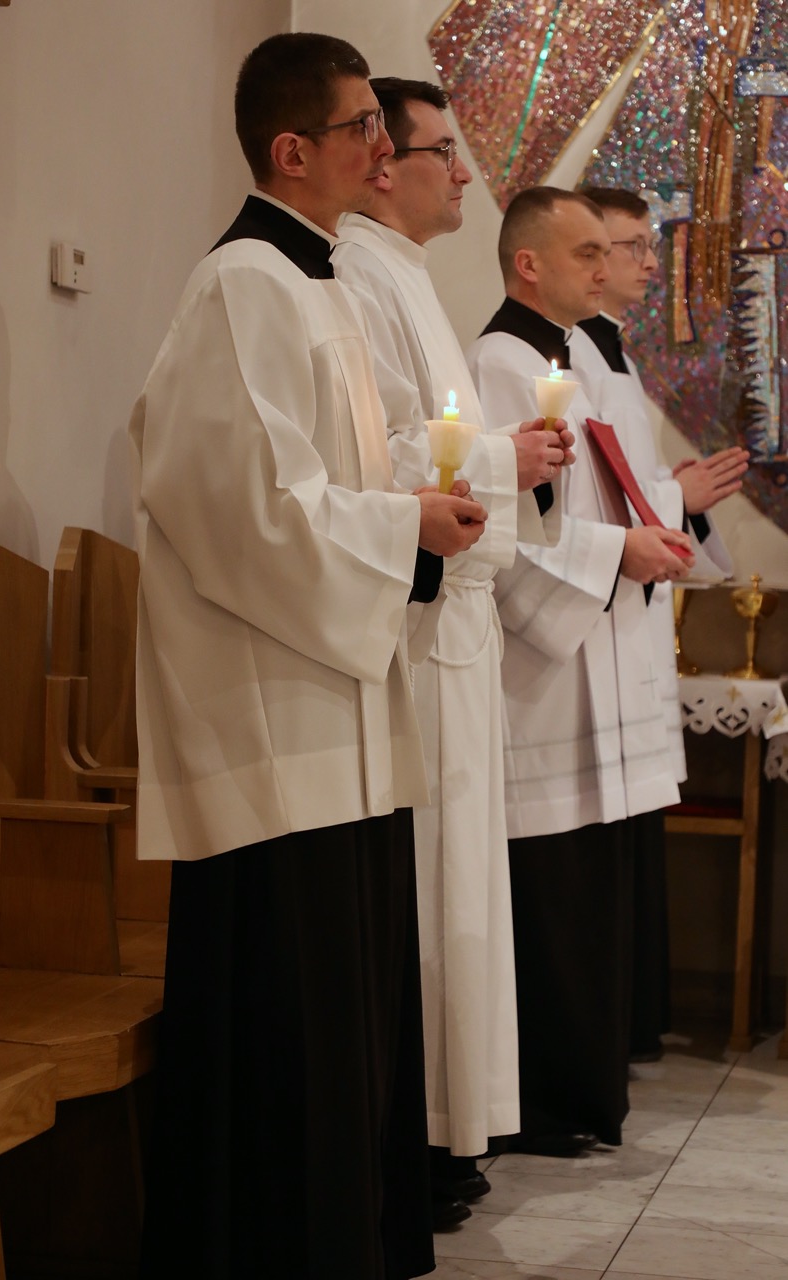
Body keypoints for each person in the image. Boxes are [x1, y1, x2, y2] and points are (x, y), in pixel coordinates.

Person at [129, 33, 489, 1280]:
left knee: (342, 1012)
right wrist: (404, 527)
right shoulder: (242, 285)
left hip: (337, 708)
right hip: (273, 722)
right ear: (292, 150)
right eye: (361, 128)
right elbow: (245, 512)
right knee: (284, 1015)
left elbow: (330, 480)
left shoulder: (320, 282)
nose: (384, 149)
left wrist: (416, 508)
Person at [333, 79, 572, 1226]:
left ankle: (451, 1128)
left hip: (458, 626)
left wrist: (499, 457)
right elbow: (374, 456)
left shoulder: (408, 277)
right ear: (385, 163)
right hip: (420, 635)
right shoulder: (357, 275)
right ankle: (419, 1133)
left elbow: (426, 444)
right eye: (443, 151)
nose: (465, 173)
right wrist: (493, 462)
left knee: (464, 891)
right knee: (431, 890)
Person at [465, 186, 692, 1155]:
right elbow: (507, 528)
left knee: (585, 887)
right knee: (551, 891)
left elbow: (584, 501)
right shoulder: (499, 362)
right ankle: (545, 1098)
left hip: (588, 646)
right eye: (586, 254)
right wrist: (613, 554)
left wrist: (640, 537)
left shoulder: (562, 360)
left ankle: (579, 1091)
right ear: (528, 264)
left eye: (610, 253)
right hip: (540, 675)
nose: (606, 270)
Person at [570, 185, 748, 1060]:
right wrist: (676, 497)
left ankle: (631, 1022)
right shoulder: (565, 356)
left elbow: (625, 488)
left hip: (629, 613)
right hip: (586, 632)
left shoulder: (612, 353)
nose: (648, 261)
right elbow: (588, 502)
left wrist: (674, 495)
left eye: (647, 245)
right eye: (630, 245)